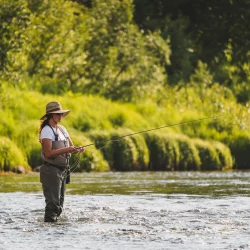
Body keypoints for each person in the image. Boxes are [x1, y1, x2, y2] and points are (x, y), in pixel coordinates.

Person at [39, 101, 85, 222]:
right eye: (58, 114)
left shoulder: (63, 130)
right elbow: (48, 153)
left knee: (59, 205)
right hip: (50, 170)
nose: (61, 116)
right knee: (52, 205)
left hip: (62, 170)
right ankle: (48, 230)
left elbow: (71, 148)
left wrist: (77, 149)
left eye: (62, 114)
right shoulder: (46, 131)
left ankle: (54, 228)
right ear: (50, 115)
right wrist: (67, 149)